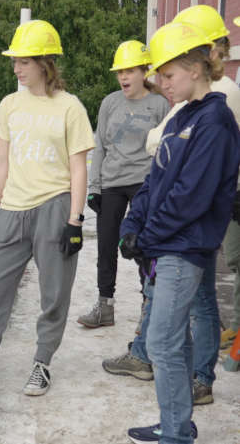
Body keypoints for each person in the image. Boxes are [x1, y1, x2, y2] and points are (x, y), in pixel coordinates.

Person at [105, 6, 240, 407]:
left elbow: (190, 195)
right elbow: (157, 178)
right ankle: (178, 422)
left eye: (167, 74)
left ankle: (179, 425)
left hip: (183, 245)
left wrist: (145, 237)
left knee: (165, 341)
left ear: (197, 65)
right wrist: (133, 226)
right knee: (174, 339)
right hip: (166, 243)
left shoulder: (215, 117)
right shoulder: (184, 112)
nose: (160, 83)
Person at [0, 20, 95, 396]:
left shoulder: (70, 107)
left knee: (53, 293)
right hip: (11, 209)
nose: (17, 68)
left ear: (45, 63)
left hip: (54, 208)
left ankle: (42, 363)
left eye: (24, 61)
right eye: (15, 62)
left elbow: (77, 168)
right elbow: (2, 161)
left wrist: (75, 220)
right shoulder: (9, 104)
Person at [79, 42, 169, 330]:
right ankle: (105, 306)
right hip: (112, 183)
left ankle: (148, 306)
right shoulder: (110, 102)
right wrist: (94, 186)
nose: (123, 77)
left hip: (145, 184)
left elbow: (164, 150)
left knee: (143, 246)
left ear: (145, 71)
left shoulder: (159, 105)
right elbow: (101, 147)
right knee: (107, 245)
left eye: (130, 70)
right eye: (120, 72)